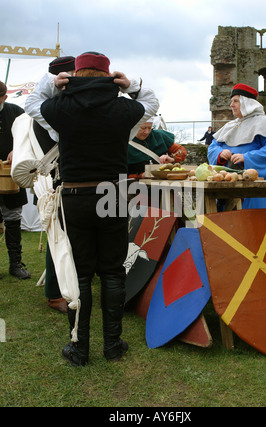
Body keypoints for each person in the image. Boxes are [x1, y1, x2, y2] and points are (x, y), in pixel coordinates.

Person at [25, 51, 159, 366]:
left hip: (75, 196)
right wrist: (132, 85)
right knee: (112, 272)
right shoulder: (122, 108)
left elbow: (32, 104)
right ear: (108, 76)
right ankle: (112, 345)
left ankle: (79, 348)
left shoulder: (60, 108)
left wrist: (52, 83)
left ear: (75, 74)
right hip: (112, 194)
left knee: (81, 273)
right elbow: (151, 104)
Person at [33, 56, 75, 314]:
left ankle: (70, 282)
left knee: (70, 233)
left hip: (69, 176)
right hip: (54, 180)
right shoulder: (47, 107)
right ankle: (53, 293)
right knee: (57, 234)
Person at [208, 83, 266, 209]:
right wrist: (220, 154)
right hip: (228, 182)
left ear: (247, 103)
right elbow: (213, 147)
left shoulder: (262, 122)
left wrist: (247, 158)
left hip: (252, 182)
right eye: (231, 101)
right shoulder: (230, 125)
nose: (231, 105)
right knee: (224, 222)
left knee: (251, 222)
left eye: (235, 101)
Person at [0, 81, 31, 279]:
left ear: (4, 97)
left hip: (11, 176)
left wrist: (17, 150)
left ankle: (15, 264)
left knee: (13, 220)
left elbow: (29, 136)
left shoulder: (18, 113)